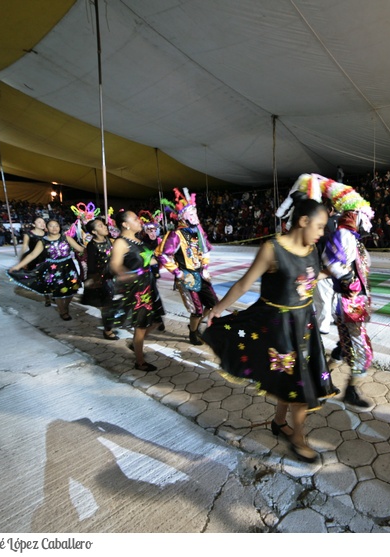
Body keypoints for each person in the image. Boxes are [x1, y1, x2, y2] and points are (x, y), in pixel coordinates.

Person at [202, 186, 337, 463]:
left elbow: (307, 279)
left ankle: (279, 423)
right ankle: (298, 440)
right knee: (300, 389)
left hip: (305, 327)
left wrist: (335, 271)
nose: (322, 232)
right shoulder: (272, 249)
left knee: (291, 381)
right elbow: (243, 285)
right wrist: (216, 309)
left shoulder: (312, 248)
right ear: (303, 221)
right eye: (320, 226)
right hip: (278, 329)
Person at [321, 179, 376, 411]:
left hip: (354, 302)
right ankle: (351, 391)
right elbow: (331, 262)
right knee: (362, 349)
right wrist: (347, 280)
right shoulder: (344, 236)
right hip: (348, 302)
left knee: (345, 346)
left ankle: (321, 376)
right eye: (364, 217)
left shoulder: (353, 239)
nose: (368, 223)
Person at [157, 188, 219, 345]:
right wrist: (178, 273)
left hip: (200, 273)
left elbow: (205, 250)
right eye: (191, 214)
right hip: (187, 276)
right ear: (182, 217)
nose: (195, 216)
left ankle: (196, 325)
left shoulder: (198, 231)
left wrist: (205, 268)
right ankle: (193, 332)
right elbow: (163, 255)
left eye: (195, 213)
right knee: (197, 310)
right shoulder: (175, 235)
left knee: (213, 304)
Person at [109, 211, 165, 371]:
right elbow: (115, 265)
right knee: (141, 325)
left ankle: (135, 344)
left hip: (148, 285)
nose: (139, 221)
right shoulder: (121, 242)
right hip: (137, 289)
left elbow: (149, 259)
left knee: (156, 321)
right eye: (134, 219)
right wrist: (130, 276)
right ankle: (139, 362)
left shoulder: (138, 240)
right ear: (125, 224)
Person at [8, 219, 84, 320]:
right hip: (54, 270)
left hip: (69, 268)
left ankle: (65, 307)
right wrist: (18, 266)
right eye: (51, 226)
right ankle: (63, 311)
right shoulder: (42, 241)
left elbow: (80, 249)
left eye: (56, 225)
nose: (54, 228)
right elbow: (32, 254)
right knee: (58, 291)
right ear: (46, 228)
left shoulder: (66, 238)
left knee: (72, 289)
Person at [80, 218, 117, 340]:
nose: (105, 227)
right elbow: (91, 264)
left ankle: (111, 324)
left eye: (104, 225)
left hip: (114, 275)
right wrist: (91, 279)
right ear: (94, 232)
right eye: (101, 226)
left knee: (114, 303)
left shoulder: (109, 240)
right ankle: (108, 330)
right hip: (102, 279)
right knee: (107, 305)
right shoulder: (92, 246)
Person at [313, 200, 339, 335]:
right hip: (339, 268)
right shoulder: (341, 223)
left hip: (324, 266)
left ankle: (323, 325)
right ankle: (335, 318)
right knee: (334, 296)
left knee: (322, 298)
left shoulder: (325, 225)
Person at [20, 217, 52, 306]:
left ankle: (52, 293)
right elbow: (24, 247)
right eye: (39, 222)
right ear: (34, 224)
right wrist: (22, 261)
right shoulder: (28, 234)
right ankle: (47, 298)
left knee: (51, 277)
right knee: (42, 279)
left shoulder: (47, 233)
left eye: (43, 222)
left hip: (48, 258)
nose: (42, 223)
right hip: (35, 259)